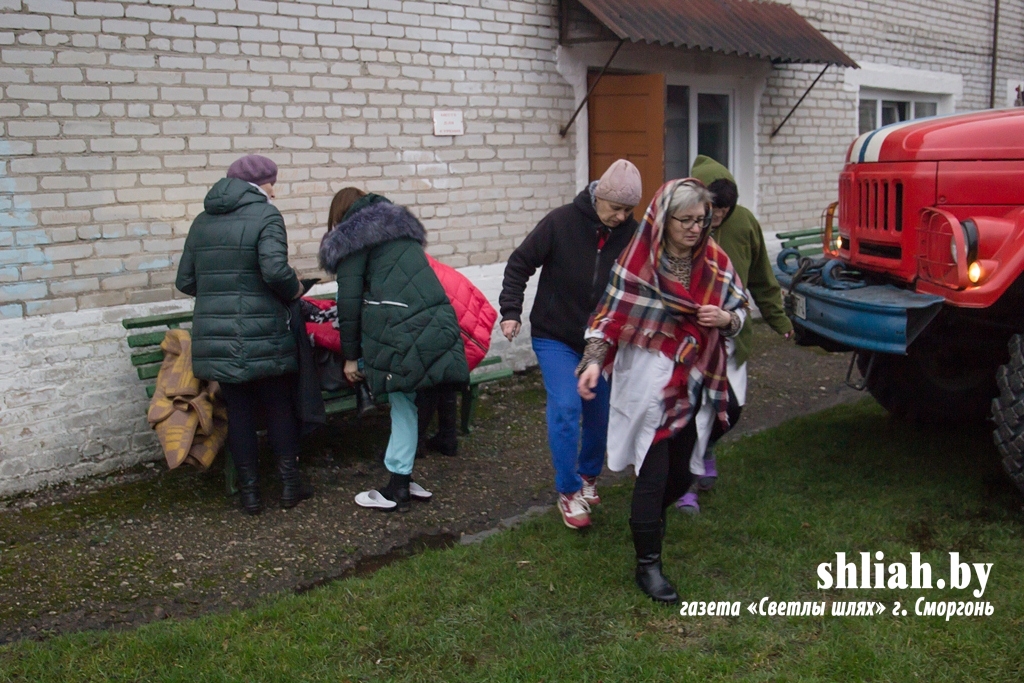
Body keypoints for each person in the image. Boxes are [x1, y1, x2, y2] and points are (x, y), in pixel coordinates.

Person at [576, 178, 747, 603]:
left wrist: (726, 319)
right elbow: (606, 320)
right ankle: (648, 565)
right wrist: (594, 361)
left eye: (701, 220)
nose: (695, 228)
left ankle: (650, 519)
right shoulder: (637, 264)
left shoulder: (716, 262)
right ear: (661, 220)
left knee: (686, 469)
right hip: (649, 385)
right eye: (685, 220)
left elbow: (742, 309)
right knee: (653, 475)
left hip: (700, 382)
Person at [498, 159, 641, 530]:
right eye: (616, 208)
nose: (622, 217)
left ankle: (589, 475)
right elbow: (519, 264)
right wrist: (511, 311)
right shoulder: (561, 222)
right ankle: (568, 490)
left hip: (602, 339)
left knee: (598, 411)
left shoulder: (632, 234)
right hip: (555, 334)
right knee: (565, 404)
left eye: (629, 210)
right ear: (599, 198)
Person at [176, 154, 313, 515]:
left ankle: (249, 494)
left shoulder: (202, 221)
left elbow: (185, 281)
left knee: (239, 412)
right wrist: (295, 288)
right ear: (261, 183)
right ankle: (289, 486)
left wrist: (221, 295)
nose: (274, 189)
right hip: (263, 331)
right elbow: (273, 270)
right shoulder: (266, 215)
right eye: (272, 182)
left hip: (218, 336)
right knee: (278, 405)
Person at [318, 188, 469, 512]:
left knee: (403, 406)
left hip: (399, 330)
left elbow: (348, 304)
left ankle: (397, 487)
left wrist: (350, 357)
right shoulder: (399, 232)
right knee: (410, 403)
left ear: (340, 216)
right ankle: (404, 477)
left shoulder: (351, 240)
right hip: (435, 322)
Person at [674, 156, 794, 514]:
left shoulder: (744, 223)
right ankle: (685, 484)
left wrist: (780, 321)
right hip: (689, 340)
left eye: (725, 211)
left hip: (732, 333)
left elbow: (761, 277)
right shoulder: (681, 223)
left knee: (732, 409)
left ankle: (706, 449)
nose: (719, 218)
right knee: (692, 414)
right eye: (715, 210)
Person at [416, 254, 498, 458]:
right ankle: (447, 438)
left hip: (462, 329)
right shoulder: (423, 261)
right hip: (467, 324)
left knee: (431, 380)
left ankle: (416, 443)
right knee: (446, 375)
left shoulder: (410, 268)